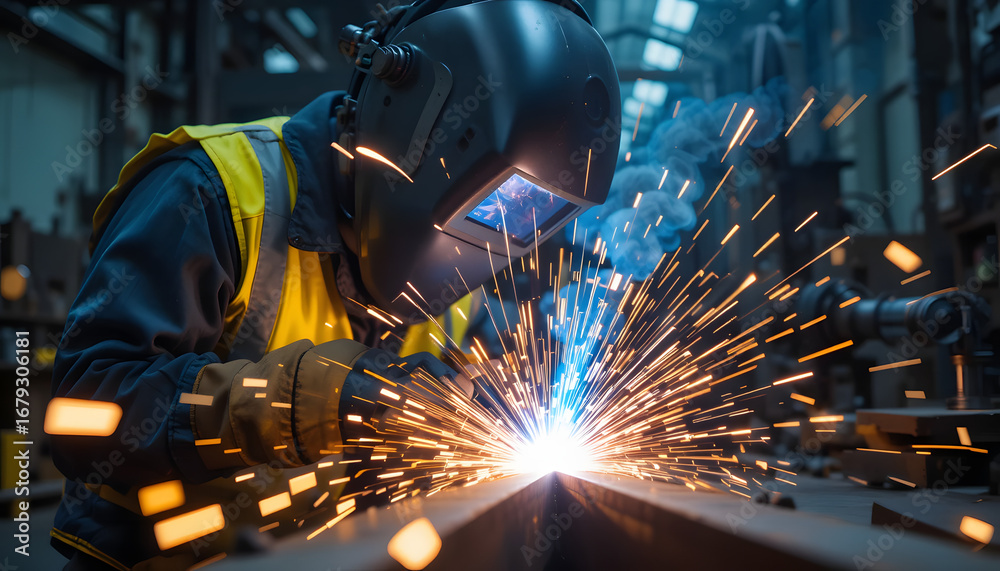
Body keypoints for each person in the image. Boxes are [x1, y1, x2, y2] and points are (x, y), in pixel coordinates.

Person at [46, 0, 620, 568]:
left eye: (529, 213)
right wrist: (316, 403)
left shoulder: (465, 267)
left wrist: (507, 401)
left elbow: (488, 367)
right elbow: (82, 411)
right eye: (496, 199)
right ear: (415, 126)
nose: (505, 222)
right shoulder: (211, 192)